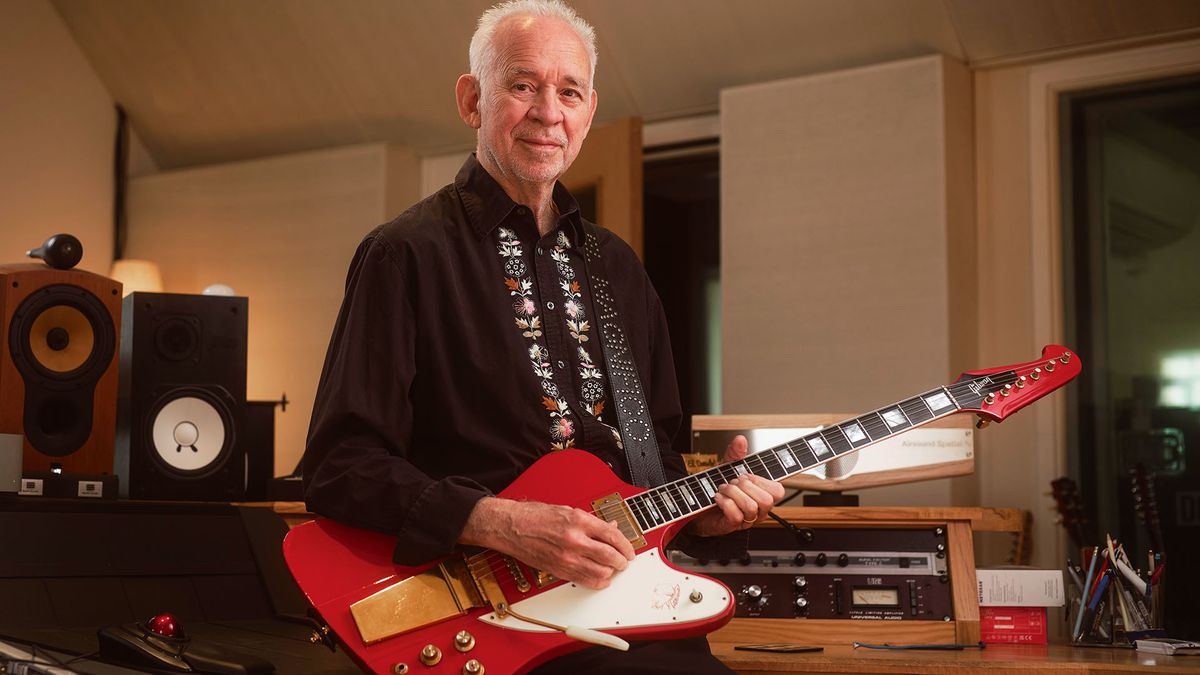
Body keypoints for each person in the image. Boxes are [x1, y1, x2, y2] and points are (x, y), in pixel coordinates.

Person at [302, 1, 784, 672]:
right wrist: (501, 521)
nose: (547, 111)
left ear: (589, 113)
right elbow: (339, 467)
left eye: (569, 91)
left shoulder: (619, 270)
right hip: (489, 620)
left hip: (630, 614)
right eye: (523, 85)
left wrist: (706, 511)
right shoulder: (404, 253)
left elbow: (656, 471)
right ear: (472, 99)